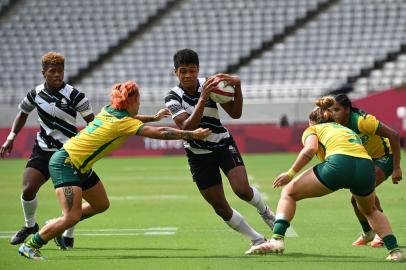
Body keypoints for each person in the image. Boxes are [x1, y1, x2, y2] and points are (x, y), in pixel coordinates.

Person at [17, 80, 211, 260]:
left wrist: (153, 117)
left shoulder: (109, 110)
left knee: (101, 204)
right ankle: (31, 245)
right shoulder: (124, 123)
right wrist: (191, 133)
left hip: (80, 165)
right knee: (72, 216)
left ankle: (55, 226)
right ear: (131, 101)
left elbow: (132, 118)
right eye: (138, 100)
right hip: (66, 163)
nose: (139, 104)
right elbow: (160, 133)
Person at [246, 97, 404, 261]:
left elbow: (310, 150)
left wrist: (290, 173)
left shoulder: (314, 129)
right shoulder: (346, 128)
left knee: (289, 193)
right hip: (366, 166)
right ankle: (395, 251)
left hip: (339, 164)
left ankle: (277, 239)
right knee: (370, 210)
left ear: (312, 122)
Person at [164, 49, 275, 253]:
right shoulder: (172, 97)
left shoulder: (212, 85)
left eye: (191, 70)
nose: (187, 75)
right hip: (198, 155)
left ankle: (265, 212)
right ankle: (257, 239)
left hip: (223, 144)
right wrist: (203, 98)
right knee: (220, 207)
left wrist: (238, 85)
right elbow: (187, 128)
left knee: (242, 189)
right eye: (183, 71)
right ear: (175, 72)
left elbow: (236, 113)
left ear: (198, 69)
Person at [0, 52, 97, 249]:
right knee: (28, 189)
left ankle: (67, 235)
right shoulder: (35, 94)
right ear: (43, 72)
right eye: (52, 71)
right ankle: (30, 226)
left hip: (69, 153)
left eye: (60, 71)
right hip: (42, 151)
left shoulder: (75, 95)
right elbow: (22, 114)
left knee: (75, 199)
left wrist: (83, 144)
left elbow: (92, 123)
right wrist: (10, 137)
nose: (57, 75)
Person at [329, 94, 402, 247]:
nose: (333, 113)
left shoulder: (362, 121)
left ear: (347, 109)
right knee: (355, 199)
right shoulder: (334, 124)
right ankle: (368, 233)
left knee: (364, 191)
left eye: (337, 109)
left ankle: (382, 235)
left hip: (384, 156)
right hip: (366, 160)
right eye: (330, 110)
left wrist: (396, 167)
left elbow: (394, 136)